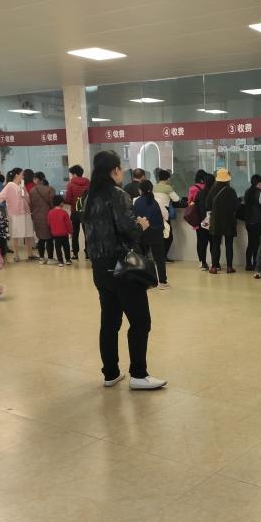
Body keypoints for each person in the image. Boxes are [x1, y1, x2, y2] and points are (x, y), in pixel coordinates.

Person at [82, 150, 166, 390]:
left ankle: (110, 373)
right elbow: (128, 230)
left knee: (110, 323)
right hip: (123, 269)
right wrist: (142, 224)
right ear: (114, 170)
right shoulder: (117, 195)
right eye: (120, 168)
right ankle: (138, 374)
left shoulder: (89, 197)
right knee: (140, 321)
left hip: (100, 269)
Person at [0, 168, 36, 261]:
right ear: (16, 175)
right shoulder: (10, 185)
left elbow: (26, 197)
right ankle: (16, 255)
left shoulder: (21, 185)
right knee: (15, 234)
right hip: (15, 213)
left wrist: (25, 193)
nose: (23, 176)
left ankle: (30, 254)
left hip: (25, 212)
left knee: (28, 233)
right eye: (22, 174)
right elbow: (1, 196)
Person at [133, 180, 168, 289]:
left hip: (142, 232)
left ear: (140, 190)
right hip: (156, 232)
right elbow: (165, 216)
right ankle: (162, 282)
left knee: (143, 258)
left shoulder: (136, 201)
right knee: (159, 258)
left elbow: (134, 216)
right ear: (151, 189)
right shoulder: (157, 200)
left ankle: (145, 281)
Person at [206, 168, 239, 274]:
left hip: (216, 221)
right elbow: (236, 206)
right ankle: (229, 267)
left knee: (215, 244)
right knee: (229, 245)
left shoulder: (212, 190)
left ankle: (214, 267)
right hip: (229, 221)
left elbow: (207, 205)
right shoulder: (231, 191)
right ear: (227, 179)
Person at [29, 172, 55, 264]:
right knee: (49, 238)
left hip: (37, 217)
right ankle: (50, 258)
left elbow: (31, 205)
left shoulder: (32, 191)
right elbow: (53, 204)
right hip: (49, 216)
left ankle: (41, 258)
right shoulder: (50, 189)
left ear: (36, 179)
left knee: (40, 238)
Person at [64, 164, 90, 260]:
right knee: (87, 232)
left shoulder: (70, 184)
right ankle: (88, 253)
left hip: (75, 210)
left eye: (71, 174)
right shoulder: (88, 183)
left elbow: (68, 199)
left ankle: (75, 253)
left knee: (75, 233)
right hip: (86, 210)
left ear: (75, 174)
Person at [154, 169, 179, 261]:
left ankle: (158, 257)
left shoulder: (154, 187)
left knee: (158, 236)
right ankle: (163, 257)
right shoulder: (168, 188)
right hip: (164, 213)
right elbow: (176, 199)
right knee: (168, 236)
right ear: (168, 178)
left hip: (154, 213)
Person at [192, 171, 214, 270]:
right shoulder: (215, 193)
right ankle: (214, 263)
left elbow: (194, 204)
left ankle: (203, 263)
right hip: (213, 222)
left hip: (202, 221)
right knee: (213, 243)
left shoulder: (200, 193)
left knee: (202, 243)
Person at [243, 174, 261, 271]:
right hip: (257, 221)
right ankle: (256, 264)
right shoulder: (259, 193)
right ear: (258, 183)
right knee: (257, 244)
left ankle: (248, 264)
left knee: (251, 243)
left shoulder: (248, 191)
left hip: (249, 222)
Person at [48, 196, 73, 266]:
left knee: (58, 248)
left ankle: (60, 261)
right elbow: (68, 223)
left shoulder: (50, 212)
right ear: (61, 203)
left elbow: (49, 223)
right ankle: (67, 260)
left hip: (55, 234)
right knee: (66, 247)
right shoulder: (64, 212)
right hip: (64, 234)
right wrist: (71, 232)